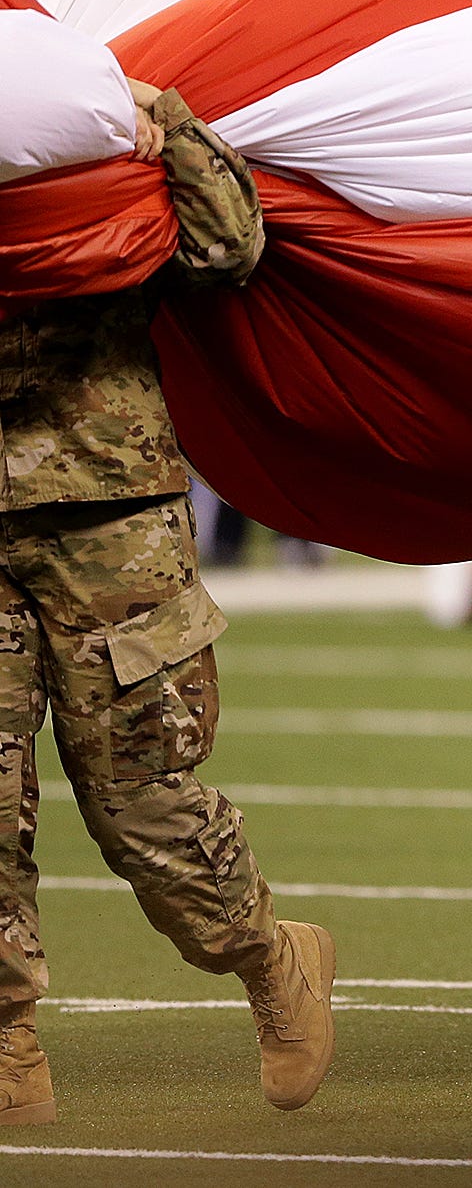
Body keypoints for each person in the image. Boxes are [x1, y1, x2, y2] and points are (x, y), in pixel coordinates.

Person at [1, 77, 336, 1126]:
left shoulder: (87, 122)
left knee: (140, 796)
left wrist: (161, 123)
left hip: (109, 506)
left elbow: (228, 246)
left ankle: (267, 954)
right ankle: (8, 1046)